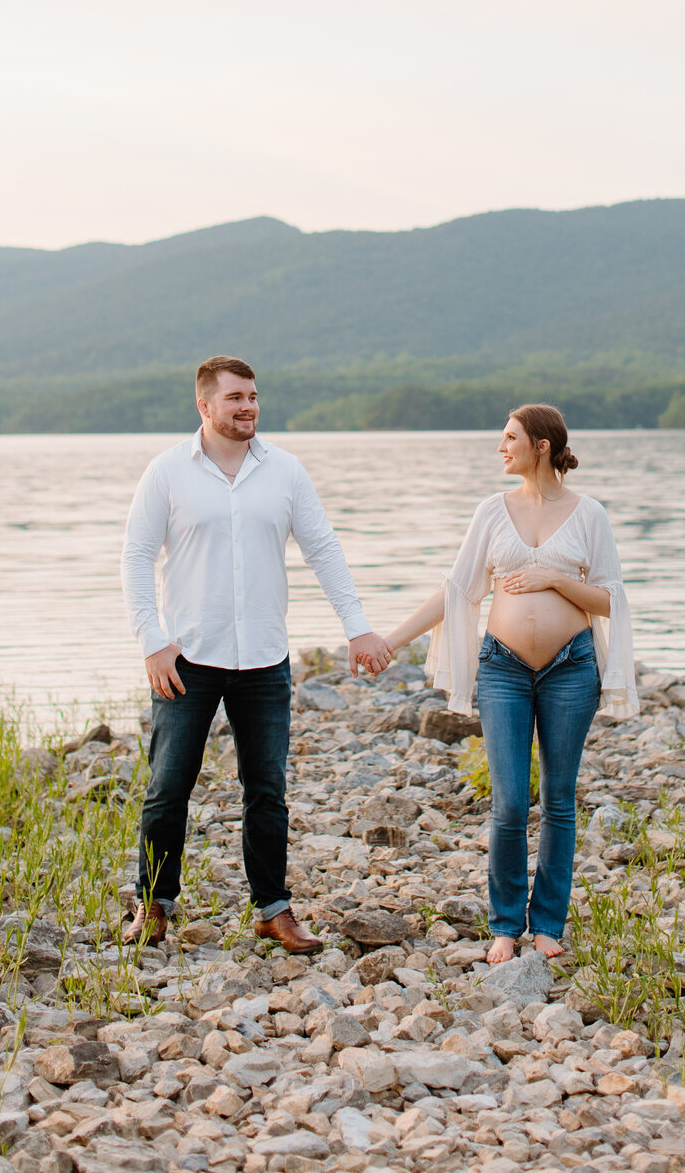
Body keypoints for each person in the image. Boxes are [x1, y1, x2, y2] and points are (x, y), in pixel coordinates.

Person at [120, 354, 392, 952]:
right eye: (235, 397)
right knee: (169, 787)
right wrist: (152, 644)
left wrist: (358, 627)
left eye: (253, 396)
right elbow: (136, 558)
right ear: (205, 405)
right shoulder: (166, 471)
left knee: (266, 789)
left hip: (265, 660)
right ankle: (155, 906)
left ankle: (273, 909)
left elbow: (323, 549)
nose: (248, 407)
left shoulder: (286, 471)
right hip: (186, 658)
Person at [379, 405, 637, 961]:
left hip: (572, 667)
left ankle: (547, 925)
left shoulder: (589, 514)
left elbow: (611, 601)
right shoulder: (491, 512)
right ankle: (504, 924)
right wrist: (390, 641)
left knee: (560, 800)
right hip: (503, 668)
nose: (501, 447)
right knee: (510, 802)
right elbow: (456, 591)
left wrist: (556, 579)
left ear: (541, 445)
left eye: (510, 438)